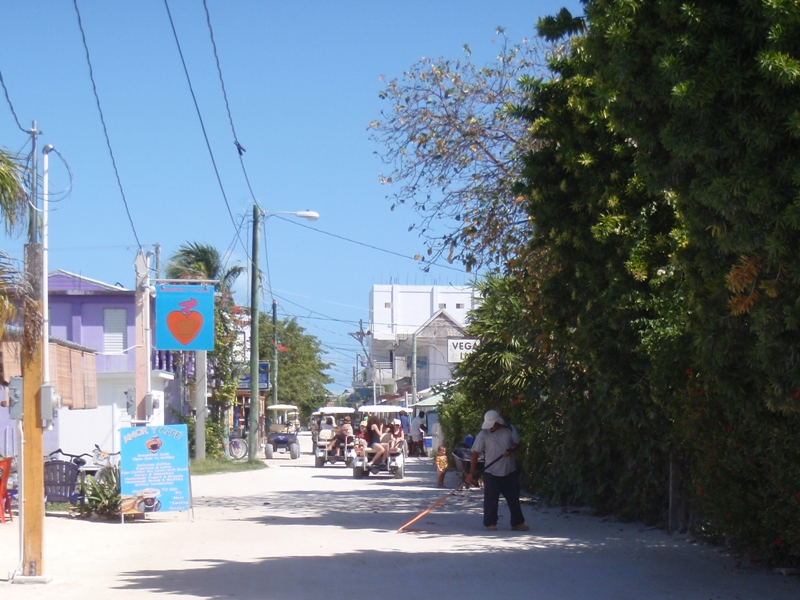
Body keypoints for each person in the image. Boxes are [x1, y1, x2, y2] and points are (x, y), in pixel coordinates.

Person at [466, 410, 529, 532]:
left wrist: (511, 450)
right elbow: (475, 453)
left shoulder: (510, 429)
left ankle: (517, 523)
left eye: (492, 425)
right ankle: (490, 524)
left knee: (513, 498)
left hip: (510, 470)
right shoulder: (483, 434)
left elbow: (517, 443)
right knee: (491, 499)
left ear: (498, 422)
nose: (490, 428)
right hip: (491, 472)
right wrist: (471, 473)